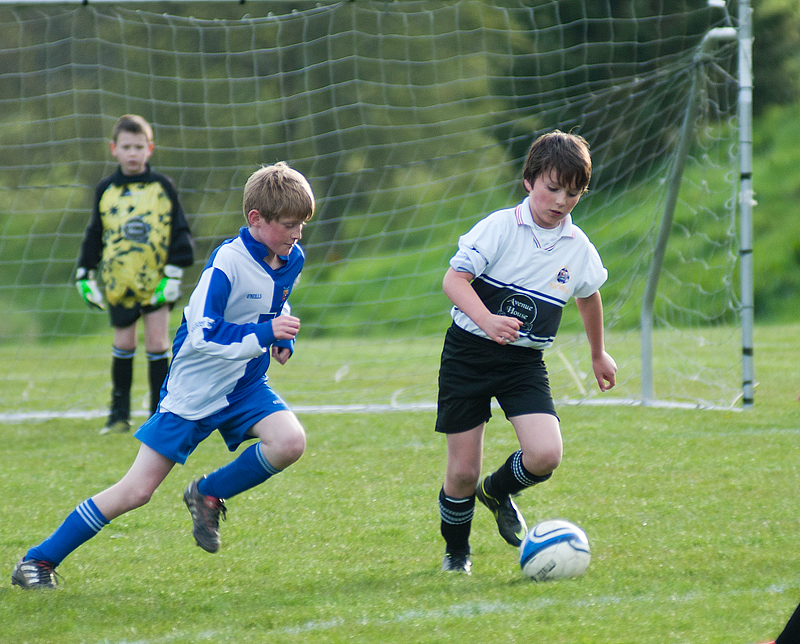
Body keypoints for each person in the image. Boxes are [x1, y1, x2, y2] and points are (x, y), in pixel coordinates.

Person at [11, 162, 314, 590]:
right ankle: (36, 562)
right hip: (193, 393)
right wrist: (266, 333)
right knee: (136, 491)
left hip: (243, 385)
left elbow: (275, 303)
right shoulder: (227, 263)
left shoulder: (290, 258)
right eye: (289, 224)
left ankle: (208, 493)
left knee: (290, 442)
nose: (297, 233)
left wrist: (283, 336)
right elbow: (203, 332)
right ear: (256, 219)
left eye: (302, 224)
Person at [435, 130, 618, 574]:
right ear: (529, 180)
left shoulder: (578, 247)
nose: (561, 201)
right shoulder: (500, 227)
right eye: (552, 188)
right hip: (468, 354)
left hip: (523, 363)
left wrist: (598, 353)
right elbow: (454, 280)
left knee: (545, 454)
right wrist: (488, 320)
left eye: (573, 194)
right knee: (462, 472)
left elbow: (589, 295)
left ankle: (497, 490)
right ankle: (457, 554)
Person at [75, 114, 194, 435]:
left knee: (157, 342)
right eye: (126, 147)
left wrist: (173, 275)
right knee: (124, 342)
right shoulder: (106, 190)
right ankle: (118, 415)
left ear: (149, 149)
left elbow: (180, 231)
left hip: (156, 283)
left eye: (139, 147)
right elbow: (95, 234)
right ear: (113, 148)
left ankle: (159, 414)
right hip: (120, 282)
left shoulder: (162, 187)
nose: (132, 153)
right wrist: (85, 274)